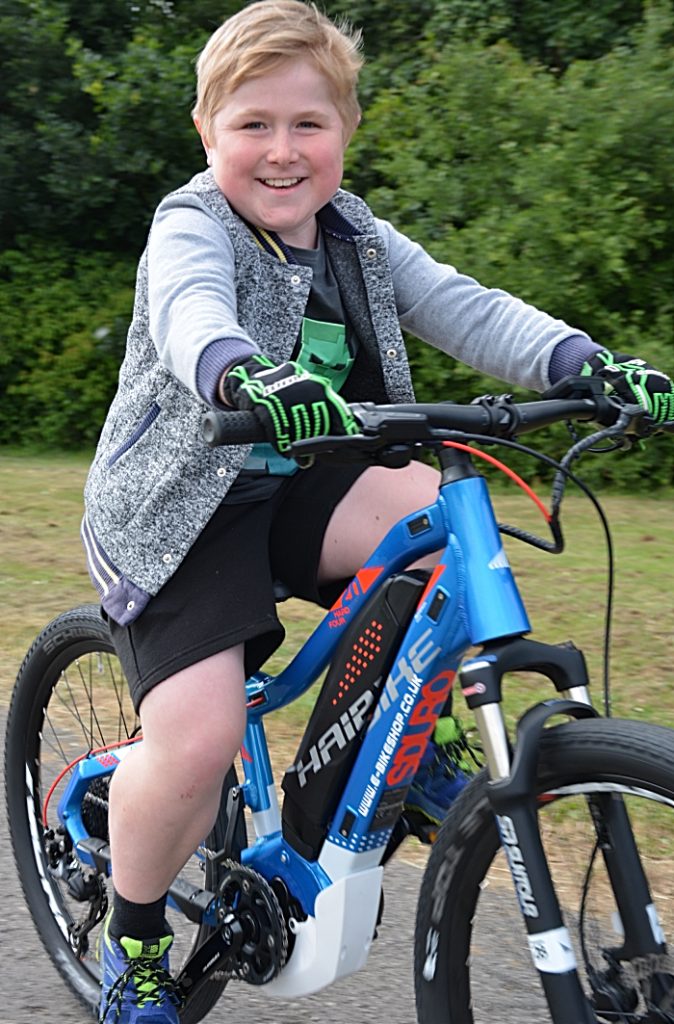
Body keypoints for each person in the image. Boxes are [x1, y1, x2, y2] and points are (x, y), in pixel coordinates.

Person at [81, 1, 674, 1020]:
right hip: (184, 506)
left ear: (346, 130)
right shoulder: (191, 220)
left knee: (440, 517)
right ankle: (132, 939)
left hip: (305, 483)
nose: (280, 150)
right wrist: (236, 372)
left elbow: (467, 307)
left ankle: (421, 739)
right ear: (206, 134)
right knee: (200, 732)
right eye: (251, 125)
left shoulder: (356, 234)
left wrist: (586, 363)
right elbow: (190, 310)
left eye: (306, 123)